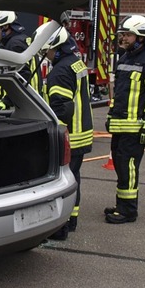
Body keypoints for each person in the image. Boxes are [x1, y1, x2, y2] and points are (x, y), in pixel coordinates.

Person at [104, 15, 145, 224]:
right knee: (121, 167)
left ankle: (128, 211)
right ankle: (121, 205)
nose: (124, 38)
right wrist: (111, 115)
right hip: (120, 125)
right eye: (123, 34)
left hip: (136, 127)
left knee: (128, 167)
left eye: (128, 34)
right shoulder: (124, 58)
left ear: (141, 37)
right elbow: (120, 93)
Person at [37, 24, 93, 240]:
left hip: (71, 134)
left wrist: (54, 135)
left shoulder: (60, 71)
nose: (46, 56)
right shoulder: (76, 64)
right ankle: (71, 220)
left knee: (62, 182)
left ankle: (61, 227)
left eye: (47, 51)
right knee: (73, 178)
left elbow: (61, 107)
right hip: (82, 131)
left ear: (55, 47)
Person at [0, 10, 42, 92]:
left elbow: (21, 77)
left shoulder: (14, 44)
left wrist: (7, 101)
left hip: (24, 99)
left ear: (5, 26)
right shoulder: (20, 39)